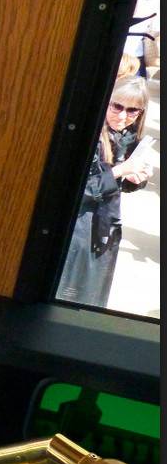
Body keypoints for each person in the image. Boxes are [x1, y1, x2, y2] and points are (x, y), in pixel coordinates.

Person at [57, 77, 154, 308]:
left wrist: (134, 179)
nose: (122, 116)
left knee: (89, 300)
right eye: (117, 106)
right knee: (67, 297)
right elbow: (77, 190)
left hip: (103, 229)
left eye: (132, 111)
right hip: (78, 230)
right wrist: (120, 170)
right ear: (106, 102)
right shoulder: (88, 135)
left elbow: (116, 184)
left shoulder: (127, 137)